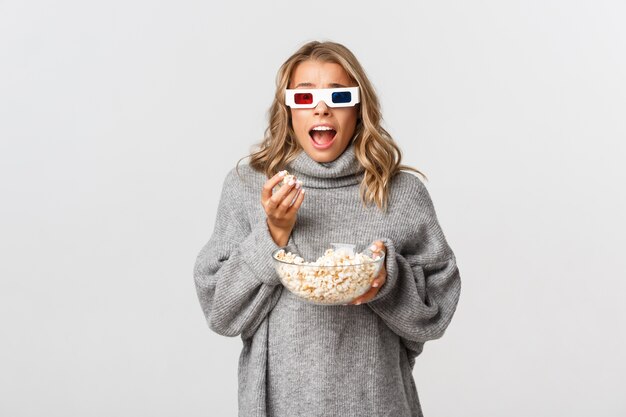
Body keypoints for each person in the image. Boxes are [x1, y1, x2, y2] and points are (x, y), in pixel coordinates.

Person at [193, 40, 462, 417]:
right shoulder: (248, 187)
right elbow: (221, 312)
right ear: (287, 111)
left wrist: (387, 278)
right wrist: (274, 233)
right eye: (304, 98)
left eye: (338, 95)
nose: (321, 107)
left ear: (358, 107)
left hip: (377, 402)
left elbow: (435, 315)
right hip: (279, 405)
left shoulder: (399, 193)